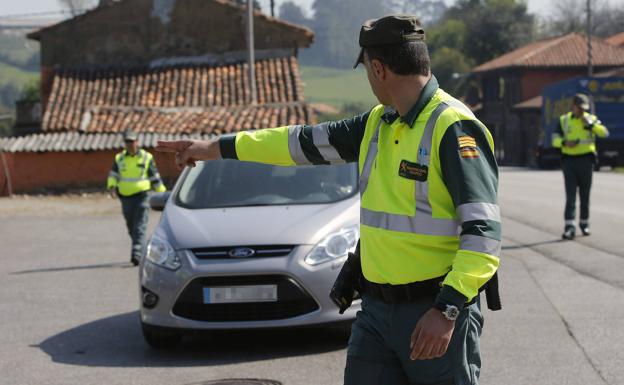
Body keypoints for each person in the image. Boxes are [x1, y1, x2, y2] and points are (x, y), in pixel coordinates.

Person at [157, 15, 500, 385]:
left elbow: (483, 234)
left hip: (432, 312)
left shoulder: (453, 127)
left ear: (379, 69)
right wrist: (213, 148)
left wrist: (447, 310)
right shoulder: (376, 123)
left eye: (367, 70)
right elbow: (296, 143)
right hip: (375, 312)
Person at [552, 93, 609, 240]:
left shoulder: (591, 119)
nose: (582, 111)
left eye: (584, 108)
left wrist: (590, 125)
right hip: (569, 161)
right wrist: (565, 143)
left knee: (585, 195)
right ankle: (569, 227)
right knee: (570, 196)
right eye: (580, 108)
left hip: (586, 161)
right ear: (574, 106)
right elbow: (554, 139)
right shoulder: (564, 120)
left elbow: (604, 133)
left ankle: (584, 223)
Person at [107, 130, 167, 265]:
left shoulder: (147, 157)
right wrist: (111, 186)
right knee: (131, 225)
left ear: (137, 142)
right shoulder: (119, 158)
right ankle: (139, 248)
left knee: (139, 226)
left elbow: (154, 177)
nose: (130, 144)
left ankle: (137, 255)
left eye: (132, 141)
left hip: (142, 196)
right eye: (127, 142)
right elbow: (113, 175)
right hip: (125, 197)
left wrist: (163, 194)